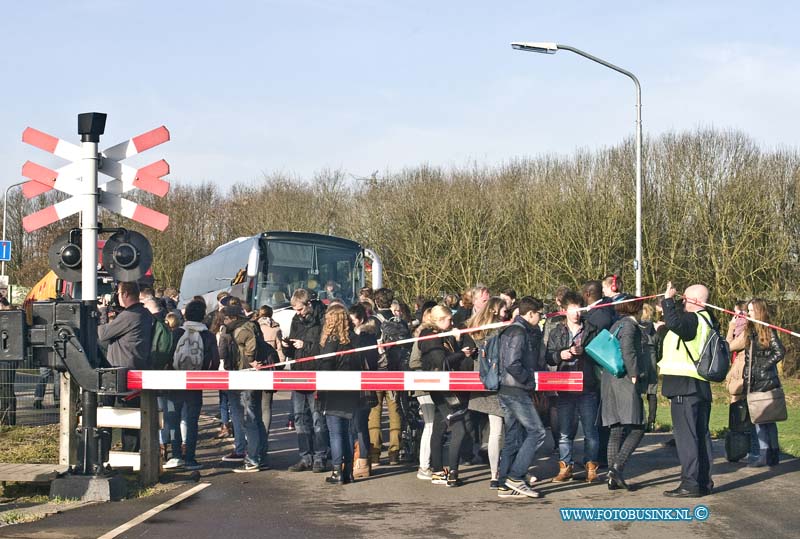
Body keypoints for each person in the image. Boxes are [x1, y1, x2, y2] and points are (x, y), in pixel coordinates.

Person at [658, 282, 715, 498]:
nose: (683, 302)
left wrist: (668, 301)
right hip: (699, 385)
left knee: (687, 438)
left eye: (686, 299)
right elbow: (675, 328)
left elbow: (675, 323)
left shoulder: (693, 319)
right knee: (701, 435)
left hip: (685, 386)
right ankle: (703, 482)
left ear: (698, 302)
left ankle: (690, 483)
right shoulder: (707, 320)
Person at [546, 291, 600, 483]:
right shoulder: (556, 331)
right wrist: (561, 354)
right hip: (565, 385)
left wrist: (585, 352)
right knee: (564, 431)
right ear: (564, 310)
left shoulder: (592, 330)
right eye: (572, 309)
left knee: (590, 431)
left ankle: (591, 467)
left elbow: (600, 355)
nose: (576, 313)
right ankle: (565, 466)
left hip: (587, 385)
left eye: (580, 309)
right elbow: (548, 356)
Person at [497, 296, 547, 500]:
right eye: (539, 314)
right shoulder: (519, 332)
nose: (541, 318)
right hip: (516, 390)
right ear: (530, 314)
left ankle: (503, 484)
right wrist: (529, 381)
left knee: (513, 436)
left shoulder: (514, 329)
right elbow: (512, 363)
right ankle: (516, 476)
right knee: (537, 432)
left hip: (508, 389)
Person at [97, 281, 155, 452]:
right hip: (134, 367)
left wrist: (102, 313)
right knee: (130, 420)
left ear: (124, 294)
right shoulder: (143, 313)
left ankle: (105, 455)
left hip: (119, 372)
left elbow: (103, 334)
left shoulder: (130, 316)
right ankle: (131, 455)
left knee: (107, 417)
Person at [728, 298, 785, 467]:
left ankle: (766, 454)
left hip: (765, 382)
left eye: (751, 311)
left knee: (762, 419)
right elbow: (746, 356)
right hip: (753, 380)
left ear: (759, 311)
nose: (748, 314)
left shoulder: (766, 330)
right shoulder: (751, 330)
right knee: (765, 420)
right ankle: (770, 455)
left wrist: (763, 366)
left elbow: (780, 350)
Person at [163, 300, 220, 470]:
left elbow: (167, 355)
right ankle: (190, 458)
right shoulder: (208, 335)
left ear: (185, 315)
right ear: (203, 316)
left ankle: (176, 455)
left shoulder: (177, 332)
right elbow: (214, 361)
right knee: (192, 420)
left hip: (175, 381)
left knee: (173, 418)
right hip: (196, 381)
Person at [418, 305, 471, 487]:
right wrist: (460, 354)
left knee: (439, 428)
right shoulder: (431, 338)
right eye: (449, 319)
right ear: (440, 320)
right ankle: (452, 472)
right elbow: (442, 362)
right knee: (459, 429)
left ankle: (439, 470)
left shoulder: (438, 335)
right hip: (442, 389)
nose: (452, 323)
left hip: (444, 387)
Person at [283, 289, 330, 472]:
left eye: (300, 309)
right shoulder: (296, 320)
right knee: (299, 418)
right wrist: (288, 347)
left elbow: (325, 348)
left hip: (315, 373)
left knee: (318, 417)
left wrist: (306, 346)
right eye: (295, 310)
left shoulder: (322, 319)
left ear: (308, 304)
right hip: (298, 373)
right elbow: (292, 352)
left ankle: (320, 457)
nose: (298, 313)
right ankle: (305, 457)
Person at [602, 295, 646, 491]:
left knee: (616, 429)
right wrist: (634, 373)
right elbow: (628, 350)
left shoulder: (617, 324)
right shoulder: (629, 325)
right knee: (638, 426)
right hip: (624, 381)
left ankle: (612, 478)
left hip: (610, 379)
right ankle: (617, 468)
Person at [317, 303, 363, 484]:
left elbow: (325, 365)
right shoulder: (353, 339)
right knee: (348, 432)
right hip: (351, 389)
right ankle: (348, 472)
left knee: (335, 433)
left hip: (334, 390)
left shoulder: (331, 341)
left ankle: (337, 472)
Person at [465, 297, 506, 488]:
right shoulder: (500, 333)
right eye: (504, 311)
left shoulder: (475, 331)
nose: (507, 314)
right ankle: (498, 472)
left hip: (484, 383)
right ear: (496, 311)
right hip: (498, 383)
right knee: (500, 431)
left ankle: (495, 473)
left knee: (496, 431)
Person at [222, 304, 269, 472]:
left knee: (249, 419)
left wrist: (249, 360)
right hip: (248, 376)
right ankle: (260, 455)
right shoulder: (248, 326)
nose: (224, 321)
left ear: (233, 318)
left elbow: (251, 347)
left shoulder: (242, 330)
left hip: (245, 377)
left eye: (226, 318)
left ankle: (253, 458)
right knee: (255, 418)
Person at [367, 288, 404, 466]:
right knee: (394, 410)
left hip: (376, 370)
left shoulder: (372, 322)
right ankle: (394, 453)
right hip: (395, 371)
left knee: (375, 411)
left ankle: (374, 453)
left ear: (375, 301)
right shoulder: (399, 322)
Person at [348, 304, 378, 478]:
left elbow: (369, 359)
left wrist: (357, 337)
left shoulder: (367, 337)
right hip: (353, 384)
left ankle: (363, 459)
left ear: (360, 320)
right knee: (354, 424)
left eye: (353, 321)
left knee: (360, 424)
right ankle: (357, 457)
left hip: (364, 385)